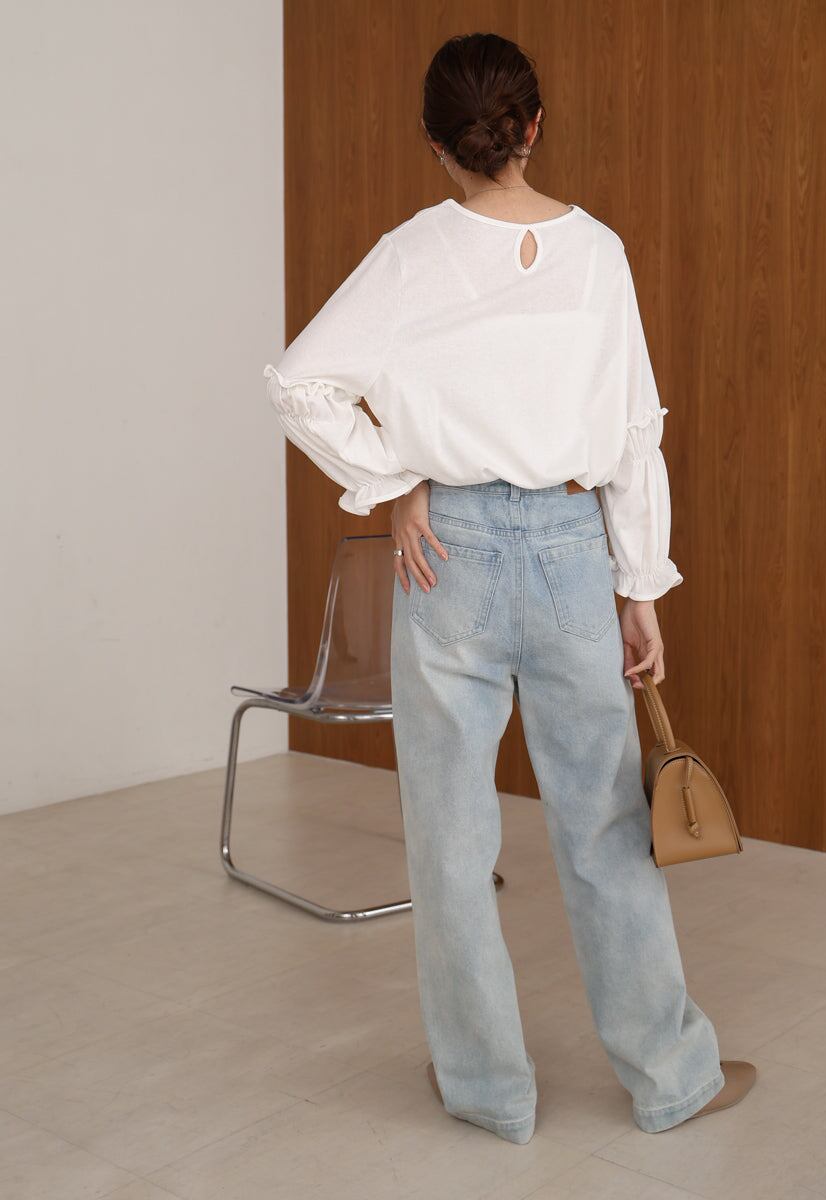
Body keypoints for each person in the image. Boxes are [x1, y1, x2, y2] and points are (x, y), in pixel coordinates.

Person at [263, 31, 756, 1146]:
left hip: (452, 556)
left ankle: (488, 1091)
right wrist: (639, 584)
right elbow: (633, 432)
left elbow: (300, 385)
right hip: (575, 550)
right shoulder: (599, 254)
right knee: (607, 829)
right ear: (533, 126)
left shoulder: (410, 255)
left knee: (449, 839)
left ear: (435, 141)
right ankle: (671, 1078)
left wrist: (396, 481)